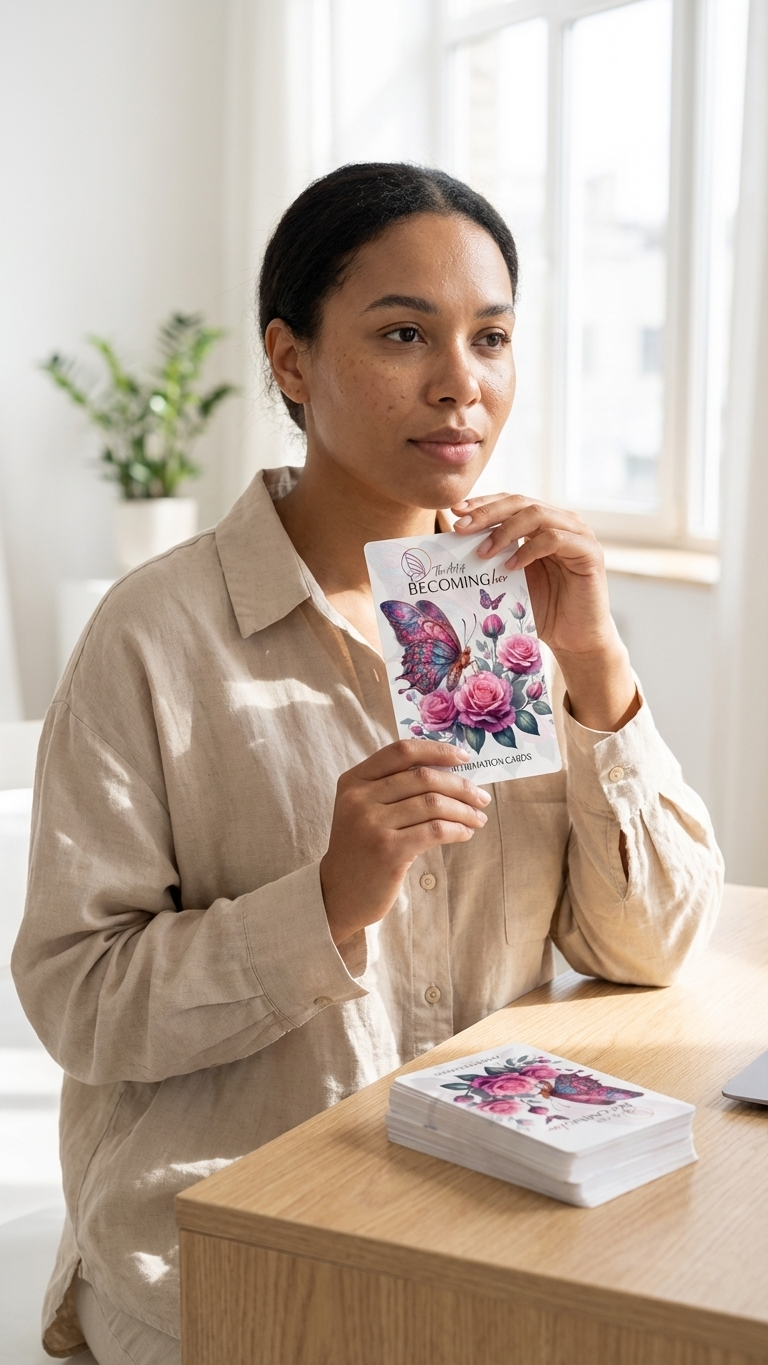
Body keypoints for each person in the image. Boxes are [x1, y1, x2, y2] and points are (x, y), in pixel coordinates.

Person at [13, 163, 722, 1365]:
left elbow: (648, 946)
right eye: (405, 335)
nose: (463, 387)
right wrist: (325, 907)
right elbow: (80, 1006)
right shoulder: (154, 635)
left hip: (488, 1214)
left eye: (491, 338)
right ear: (290, 361)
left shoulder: (524, 618)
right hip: (229, 1253)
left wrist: (598, 668)